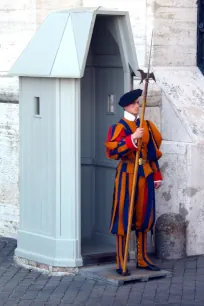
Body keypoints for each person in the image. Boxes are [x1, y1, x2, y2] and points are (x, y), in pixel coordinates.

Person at [104, 89, 163, 276]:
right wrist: (131, 139)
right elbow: (113, 152)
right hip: (127, 175)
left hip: (144, 174)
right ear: (127, 106)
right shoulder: (118, 128)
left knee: (143, 216)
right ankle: (121, 262)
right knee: (124, 216)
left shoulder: (146, 125)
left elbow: (151, 152)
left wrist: (157, 174)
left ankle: (142, 259)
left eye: (138, 103)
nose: (138, 106)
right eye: (135, 103)